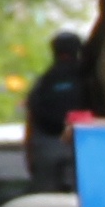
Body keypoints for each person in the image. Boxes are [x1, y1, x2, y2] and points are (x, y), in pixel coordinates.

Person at [20, 31, 88, 194]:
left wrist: (30, 153)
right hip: (79, 143)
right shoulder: (87, 79)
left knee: (48, 200)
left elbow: (31, 116)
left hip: (46, 145)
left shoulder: (45, 80)